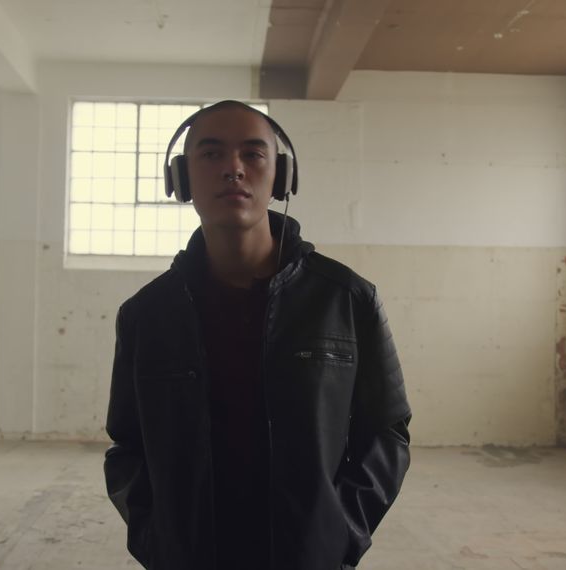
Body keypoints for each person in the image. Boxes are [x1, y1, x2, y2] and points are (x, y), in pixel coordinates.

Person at [104, 100, 411, 570]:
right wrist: (155, 538)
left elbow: (386, 433)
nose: (233, 169)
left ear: (282, 176)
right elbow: (127, 446)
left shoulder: (346, 301)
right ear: (181, 179)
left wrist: (340, 533)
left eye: (253, 154)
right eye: (211, 154)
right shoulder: (146, 315)